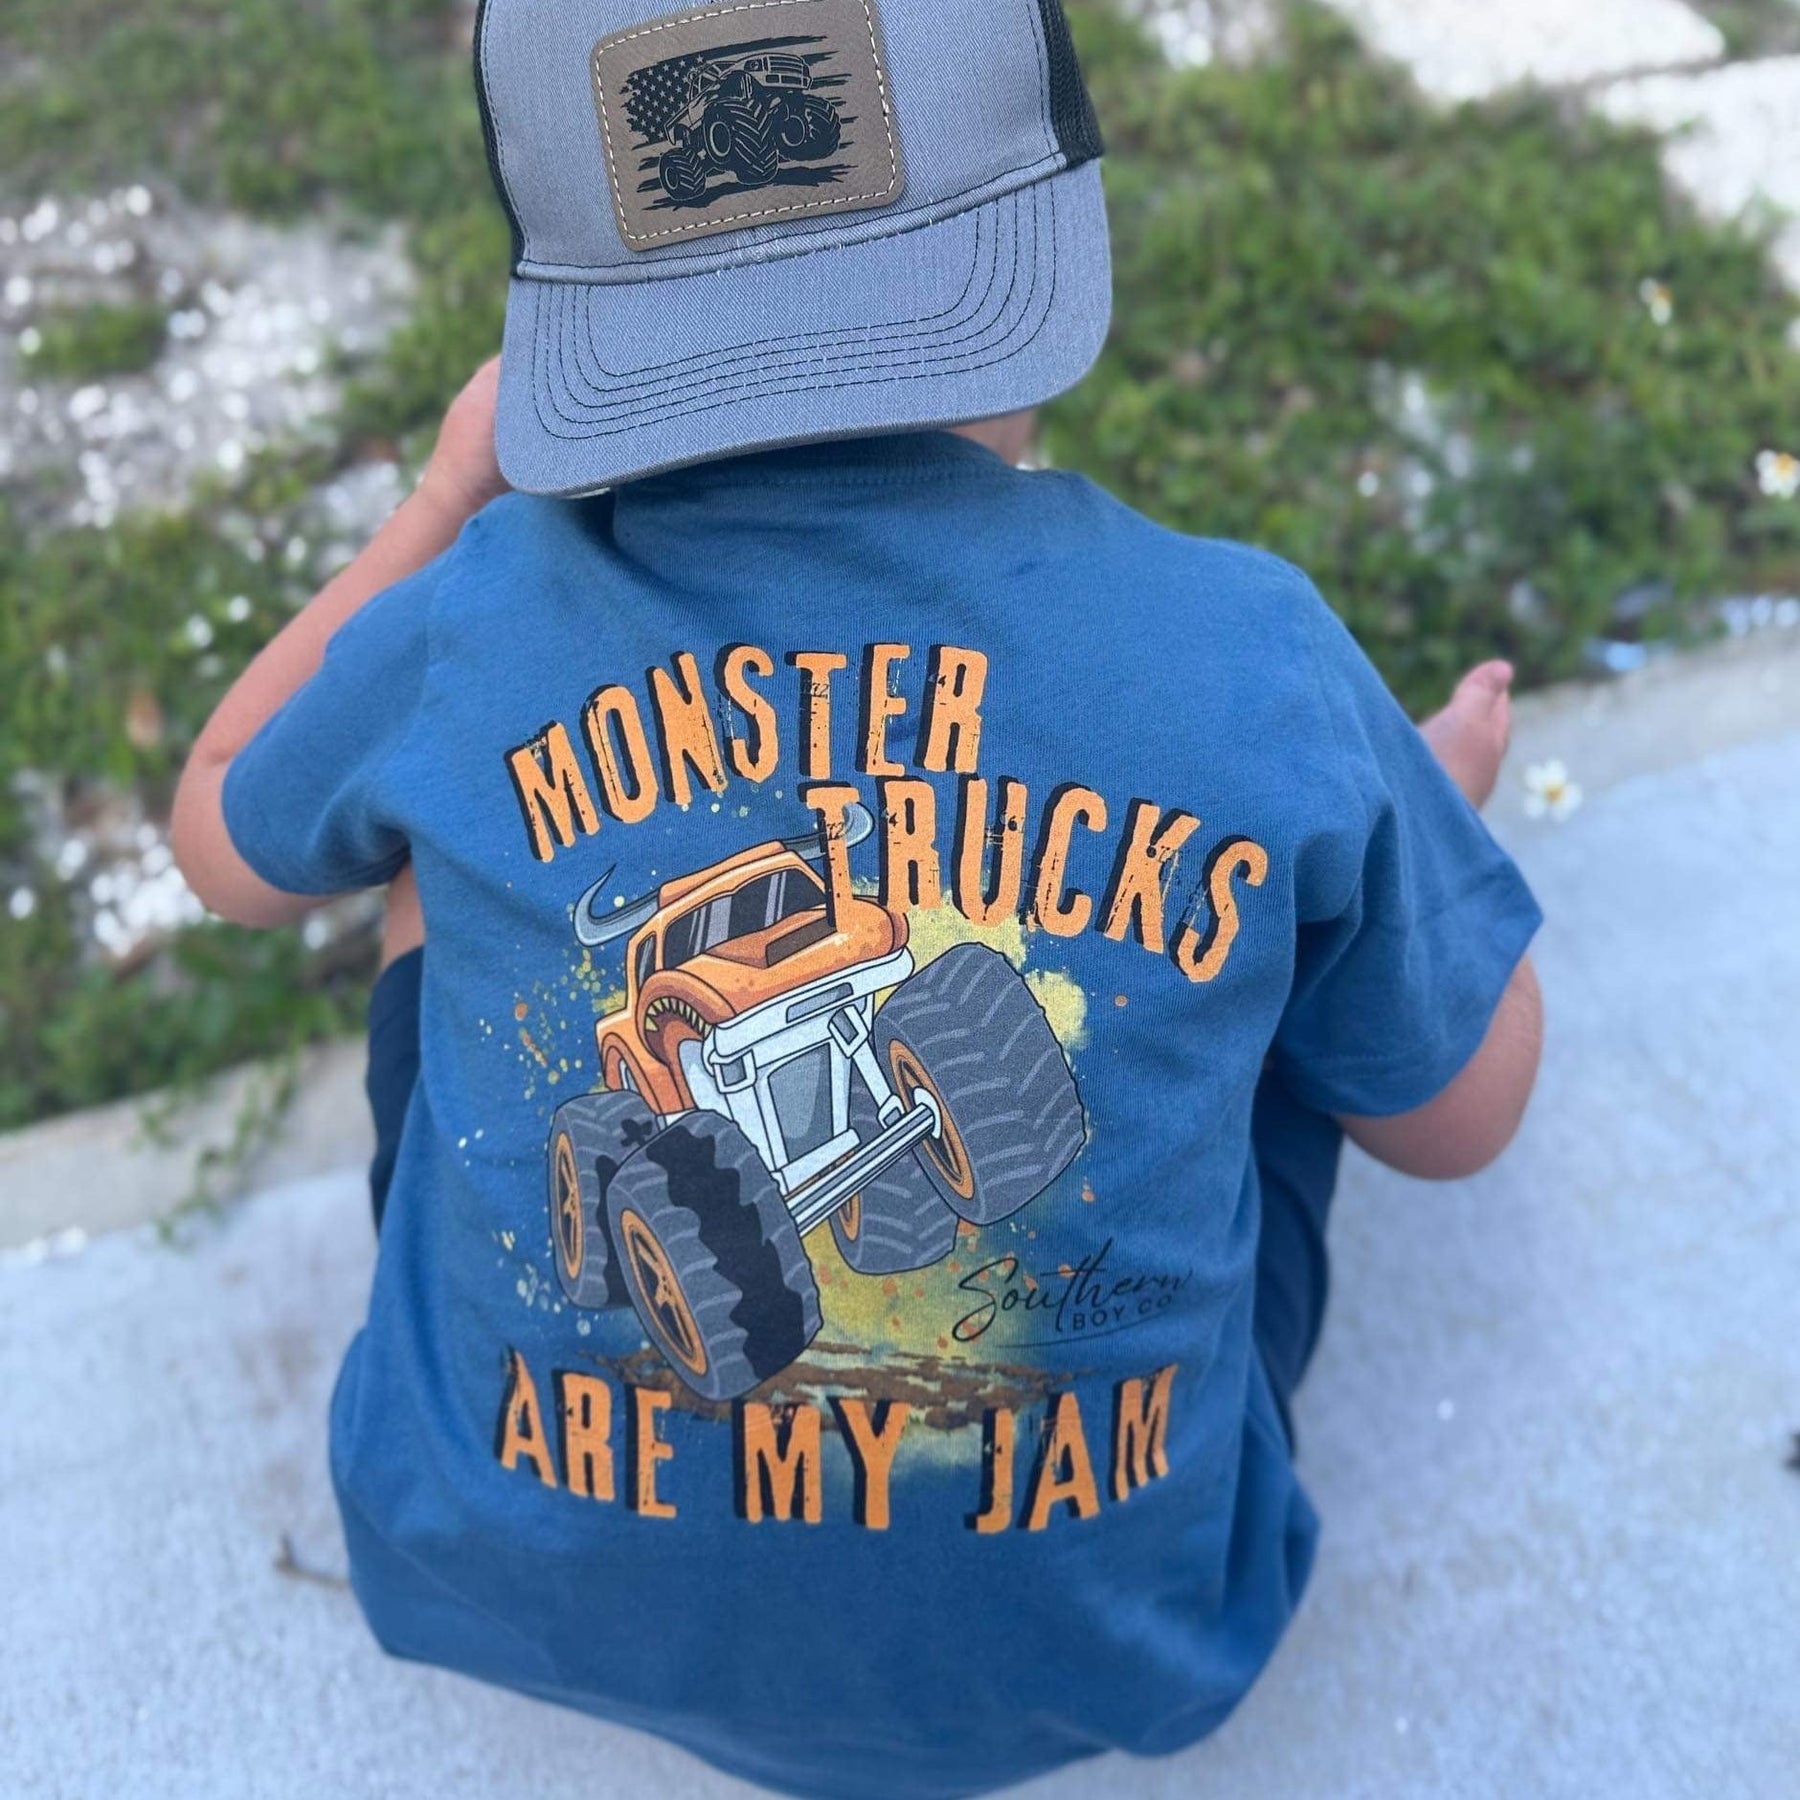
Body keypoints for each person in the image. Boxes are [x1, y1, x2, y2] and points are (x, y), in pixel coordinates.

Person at [172, 2, 1542, 1795]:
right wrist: (1399, 837)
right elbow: (1464, 1122)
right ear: (1045, 244)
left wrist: (444, 496)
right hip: (1132, 1633)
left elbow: (221, 842)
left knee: (426, 861)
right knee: (1269, 941)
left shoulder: (478, 616)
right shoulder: (1253, 655)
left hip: (507, 1576)